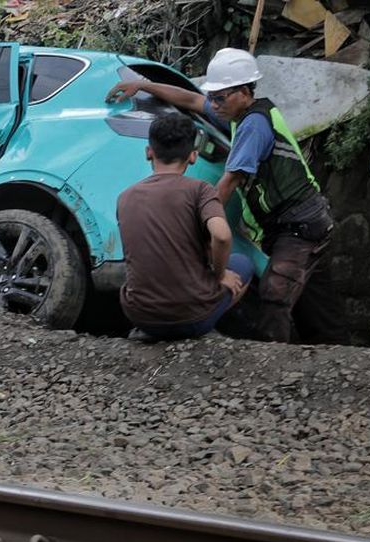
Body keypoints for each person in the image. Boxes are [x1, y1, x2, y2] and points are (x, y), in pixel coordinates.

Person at [107, 48, 347, 344]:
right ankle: (334, 352)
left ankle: (274, 365)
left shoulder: (254, 126)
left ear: (244, 92)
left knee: (275, 294)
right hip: (298, 221)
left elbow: (229, 181)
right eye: (214, 96)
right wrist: (144, 86)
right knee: (315, 302)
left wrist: (197, 225)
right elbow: (193, 100)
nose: (214, 104)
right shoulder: (237, 114)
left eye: (220, 98)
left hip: (300, 225)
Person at [118, 113, 254, 341]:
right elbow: (221, 236)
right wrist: (220, 275)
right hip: (192, 319)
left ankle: (152, 331)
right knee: (242, 263)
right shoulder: (201, 190)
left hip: (140, 316)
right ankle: (204, 328)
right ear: (193, 156)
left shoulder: (125, 197)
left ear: (149, 152)